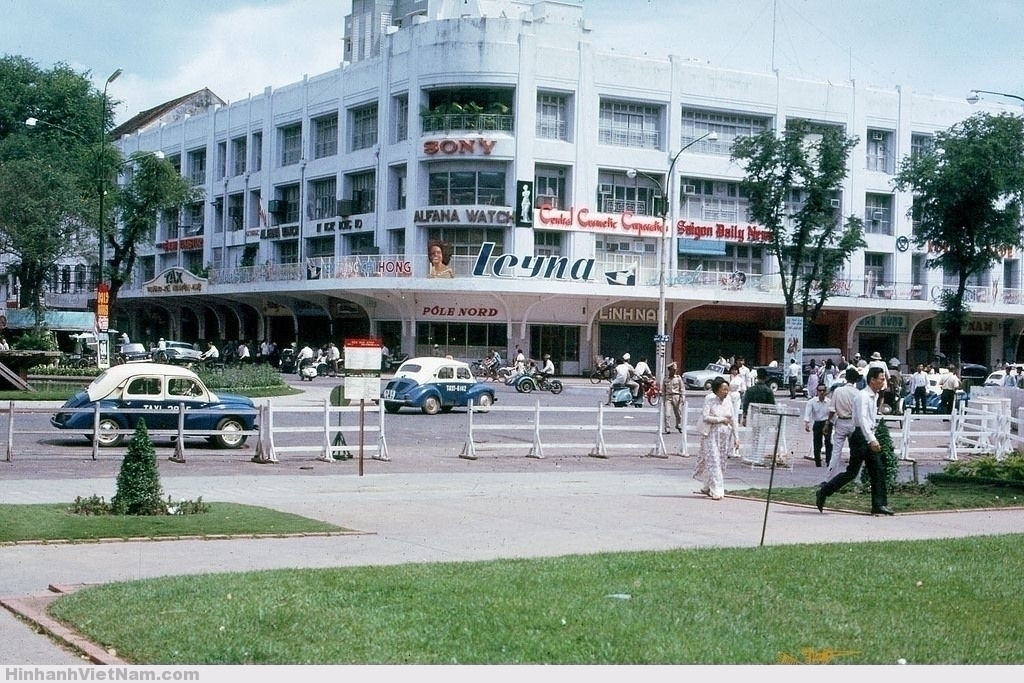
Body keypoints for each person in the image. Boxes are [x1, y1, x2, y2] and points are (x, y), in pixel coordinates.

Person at [816, 366, 894, 516]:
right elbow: (861, 419)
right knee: (853, 472)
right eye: (881, 379)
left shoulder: (873, 396)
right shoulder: (862, 396)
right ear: (872, 380)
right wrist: (871, 439)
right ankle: (824, 492)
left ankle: (878, 504)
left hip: (866, 434)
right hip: (861, 436)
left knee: (876, 470)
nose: (883, 382)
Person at [693, 377, 737, 500]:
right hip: (711, 433)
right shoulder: (709, 399)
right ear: (716, 390)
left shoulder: (729, 400)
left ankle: (707, 486)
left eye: (727, 389)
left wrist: (736, 437)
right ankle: (717, 489)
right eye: (723, 389)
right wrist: (721, 419)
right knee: (713, 460)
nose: (726, 392)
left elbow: (733, 419)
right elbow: (705, 416)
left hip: (724, 435)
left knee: (721, 461)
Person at [827, 366, 865, 477]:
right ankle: (852, 476)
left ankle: (830, 477)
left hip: (841, 422)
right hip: (853, 423)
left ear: (846, 378)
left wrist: (827, 423)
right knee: (854, 452)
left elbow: (832, 410)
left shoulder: (838, 391)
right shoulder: (858, 393)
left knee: (836, 451)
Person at [803, 384, 833, 467]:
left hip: (827, 423)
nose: (822, 392)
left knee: (828, 442)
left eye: (823, 390)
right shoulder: (812, 402)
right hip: (817, 423)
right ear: (817, 391)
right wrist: (806, 423)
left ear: (826, 391)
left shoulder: (830, 402)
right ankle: (817, 462)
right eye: (820, 391)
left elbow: (832, 413)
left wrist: (830, 423)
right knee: (817, 443)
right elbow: (807, 413)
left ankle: (828, 461)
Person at [663, 362, 684, 433]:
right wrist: (664, 400)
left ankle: (678, 424)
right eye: (673, 369)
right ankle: (667, 428)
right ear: (669, 370)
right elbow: (663, 391)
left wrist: (682, 397)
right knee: (667, 414)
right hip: (668, 397)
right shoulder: (666, 379)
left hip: (676, 396)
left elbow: (682, 389)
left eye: (675, 369)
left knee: (678, 413)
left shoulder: (678, 378)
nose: (675, 371)